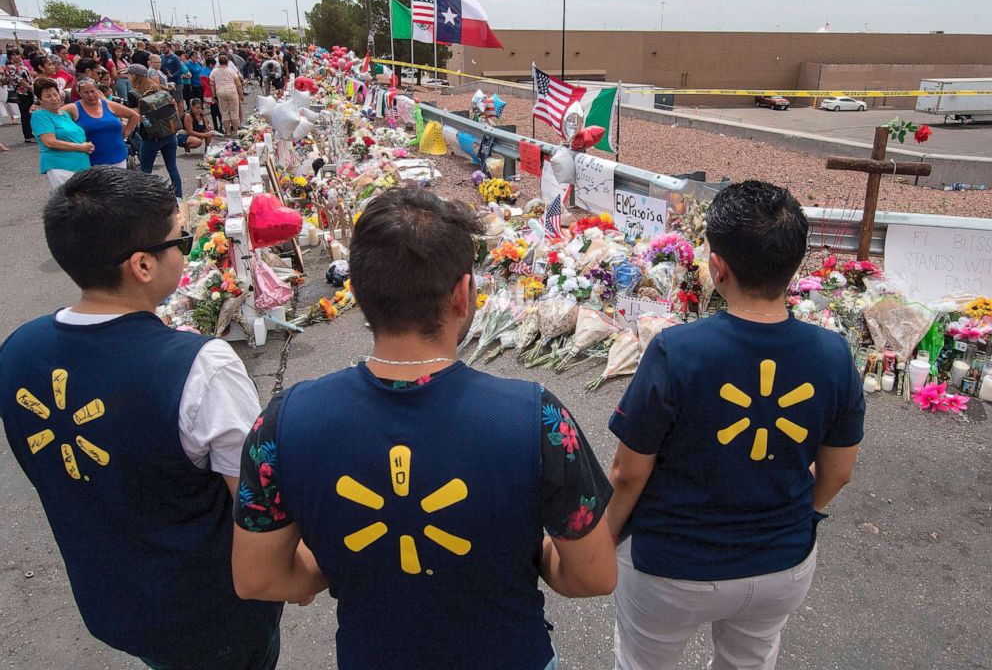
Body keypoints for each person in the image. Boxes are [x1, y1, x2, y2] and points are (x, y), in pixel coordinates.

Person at [232, 186, 617, 669]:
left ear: (358, 291)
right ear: (462, 294)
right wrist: (532, 552)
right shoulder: (536, 419)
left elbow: (258, 579)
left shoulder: (282, 422)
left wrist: (331, 565)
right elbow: (593, 576)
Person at [0, 166, 285, 669]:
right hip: (210, 611)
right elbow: (254, 503)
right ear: (143, 265)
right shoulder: (200, 367)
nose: (187, 247)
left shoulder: (19, 349)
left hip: (110, 598)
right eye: (181, 238)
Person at [606, 180, 864, 670]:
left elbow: (627, 473)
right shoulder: (833, 355)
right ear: (794, 266)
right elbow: (839, 471)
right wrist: (788, 516)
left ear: (717, 266)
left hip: (672, 565)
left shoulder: (677, 351)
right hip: (781, 563)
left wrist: (606, 538)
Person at [128, 64, 184, 198]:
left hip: (151, 136)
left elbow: (137, 116)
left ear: (134, 76)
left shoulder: (134, 93)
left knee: (145, 171)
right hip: (169, 133)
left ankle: (148, 200)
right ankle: (179, 197)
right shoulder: (156, 88)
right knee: (172, 167)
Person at [30, 78, 94, 189]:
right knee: (70, 203)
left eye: (55, 94)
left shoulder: (64, 114)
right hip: (62, 166)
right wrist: (81, 147)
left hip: (81, 165)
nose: (54, 99)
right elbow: (49, 142)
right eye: (48, 96)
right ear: (40, 100)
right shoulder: (40, 115)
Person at [63, 77, 139, 167]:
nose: (90, 95)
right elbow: (54, 116)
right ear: (80, 94)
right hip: (92, 160)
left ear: (98, 91)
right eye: (86, 92)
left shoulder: (108, 104)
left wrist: (126, 132)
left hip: (118, 156)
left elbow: (134, 116)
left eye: (92, 91)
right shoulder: (74, 108)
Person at [209, 54, 243, 135]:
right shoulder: (231, 71)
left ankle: (227, 132)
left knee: (224, 112)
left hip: (220, 91)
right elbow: (238, 84)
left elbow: (211, 84)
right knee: (234, 111)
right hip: (231, 91)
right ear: (227, 62)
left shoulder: (214, 71)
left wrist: (213, 95)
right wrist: (241, 94)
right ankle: (235, 132)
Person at [2, 49, 30, 137]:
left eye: (17, 54)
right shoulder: (10, 67)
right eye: (13, 55)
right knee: (25, 113)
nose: (16, 56)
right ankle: (28, 135)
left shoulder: (22, 65)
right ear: (10, 57)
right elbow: (16, 79)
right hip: (20, 92)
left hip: (28, 91)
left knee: (29, 113)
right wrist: (28, 86)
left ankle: (32, 133)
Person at [200, 56, 223, 133]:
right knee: (218, 111)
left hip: (206, 93)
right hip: (213, 93)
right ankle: (220, 126)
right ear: (210, 65)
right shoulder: (211, 72)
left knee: (213, 111)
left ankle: (216, 126)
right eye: (214, 65)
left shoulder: (202, 70)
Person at [159, 43, 184, 109]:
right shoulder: (161, 57)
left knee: (178, 101)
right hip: (166, 83)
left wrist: (172, 75)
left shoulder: (174, 57)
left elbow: (181, 70)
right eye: (161, 48)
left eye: (164, 47)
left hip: (176, 83)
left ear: (169, 48)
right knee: (169, 102)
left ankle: (181, 118)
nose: (162, 49)